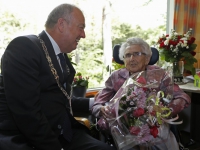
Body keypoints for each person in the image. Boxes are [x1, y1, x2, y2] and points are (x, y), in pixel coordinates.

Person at [0, 3, 116, 150]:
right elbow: (27, 114)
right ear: (61, 24)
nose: (83, 35)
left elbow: (58, 99)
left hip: (64, 133)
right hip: (28, 138)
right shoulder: (24, 47)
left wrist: (96, 101)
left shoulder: (60, 56)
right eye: (81, 27)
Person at [91, 37, 191, 150]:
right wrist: (101, 109)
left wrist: (164, 111)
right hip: (123, 131)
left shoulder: (159, 74)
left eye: (137, 54)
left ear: (147, 58)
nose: (131, 59)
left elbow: (183, 97)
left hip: (155, 127)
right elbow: (98, 103)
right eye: (127, 55)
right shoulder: (116, 77)